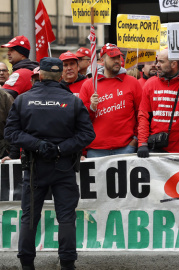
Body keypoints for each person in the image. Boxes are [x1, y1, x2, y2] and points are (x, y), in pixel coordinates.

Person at [4, 57, 95, 270]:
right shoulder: (72, 100)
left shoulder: (24, 100)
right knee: (65, 217)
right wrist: (61, 148)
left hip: (35, 167)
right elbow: (87, 134)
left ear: (40, 75)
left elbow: (11, 133)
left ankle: (27, 264)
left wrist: (36, 144)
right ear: (60, 75)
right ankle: (67, 264)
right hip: (63, 166)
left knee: (30, 217)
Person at [79, 43, 142, 158]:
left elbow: (141, 114)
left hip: (126, 148)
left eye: (119, 57)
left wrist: (136, 140)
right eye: (113, 57)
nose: (117, 60)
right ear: (102, 59)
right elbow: (80, 119)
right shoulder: (89, 85)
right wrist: (91, 107)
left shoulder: (133, 82)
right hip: (96, 150)